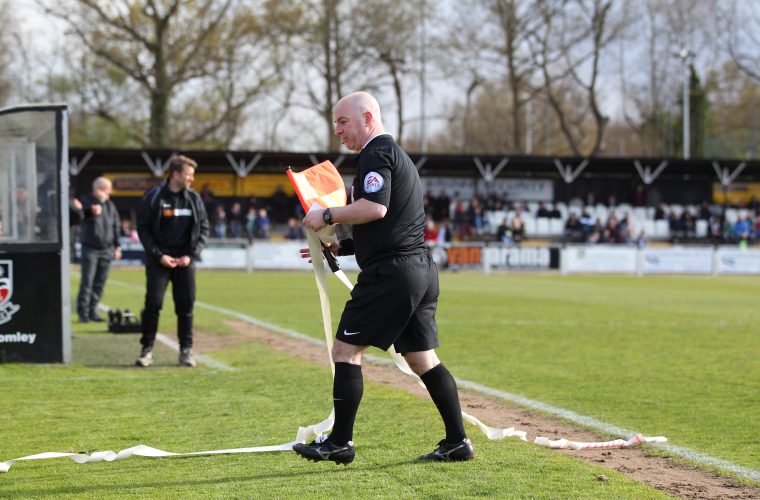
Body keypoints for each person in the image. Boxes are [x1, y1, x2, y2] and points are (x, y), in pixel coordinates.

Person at [295, 91, 474, 465]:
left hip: (393, 274)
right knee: (423, 359)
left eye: (343, 122)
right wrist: (338, 249)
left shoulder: (377, 153)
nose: (338, 131)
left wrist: (327, 216)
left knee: (345, 350)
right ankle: (457, 441)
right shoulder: (393, 156)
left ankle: (340, 443)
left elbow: (374, 209)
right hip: (418, 269)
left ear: (367, 116)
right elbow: (387, 224)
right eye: (335, 124)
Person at [135, 155, 210, 368]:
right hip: (159, 261)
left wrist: (191, 255)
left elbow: (204, 228)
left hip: (185, 262)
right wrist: (159, 255)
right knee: (153, 304)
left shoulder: (195, 199)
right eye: (188, 174)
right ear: (175, 174)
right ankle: (146, 349)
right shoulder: (153, 197)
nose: (191, 179)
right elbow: (143, 229)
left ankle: (185, 351)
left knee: (185, 306)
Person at [76, 177, 122, 323]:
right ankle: (83, 313)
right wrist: (90, 212)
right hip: (90, 248)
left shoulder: (110, 205)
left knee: (99, 283)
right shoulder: (86, 201)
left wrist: (117, 246)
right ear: (99, 190)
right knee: (87, 282)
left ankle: (92, 311)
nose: (109, 193)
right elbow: (78, 217)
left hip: (107, 249)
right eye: (107, 190)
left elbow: (116, 225)